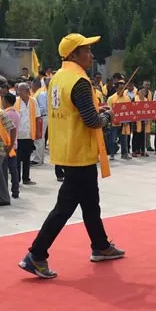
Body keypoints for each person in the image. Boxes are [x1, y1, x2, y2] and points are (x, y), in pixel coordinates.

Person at [19, 34, 123, 279]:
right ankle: (36, 254)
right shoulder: (80, 81)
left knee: (90, 203)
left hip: (67, 150)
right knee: (64, 208)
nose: (92, 55)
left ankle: (100, 245)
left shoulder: (57, 79)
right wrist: (107, 117)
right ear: (74, 54)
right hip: (80, 153)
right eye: (87, 50)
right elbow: (91, 120)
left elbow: (75, 112)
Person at [13, 82, 38, 185]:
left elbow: (37, 117)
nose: (19, 92)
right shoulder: (16, 101)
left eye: (21, 90)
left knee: (27, 158)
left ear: (27, 91)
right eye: (18, 90)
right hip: (18, 135)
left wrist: (37, 133)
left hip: (29, 134)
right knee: (17, 159)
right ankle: (17, 179)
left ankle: (26, 178)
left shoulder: (33, 101)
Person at [1, 91, 22, 197]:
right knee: (14, 169)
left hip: (5, 145)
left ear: (6, 101)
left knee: (4, 169)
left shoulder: (5, 114)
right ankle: (15, 190)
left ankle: (3, 191)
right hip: (14, 144)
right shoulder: (17, 113)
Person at [106, 79, 133, 160]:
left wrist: (127, 120)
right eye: (120, 88)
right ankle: (112, 154)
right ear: (116, 88)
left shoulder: (127, 98)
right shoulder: (111, 98)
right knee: (113, 139)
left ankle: (124, 154)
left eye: (123, 88)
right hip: (114, 122)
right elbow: (108, 110)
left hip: (124, 122)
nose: (122, 90)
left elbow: (129, 109)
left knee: (124, 139)